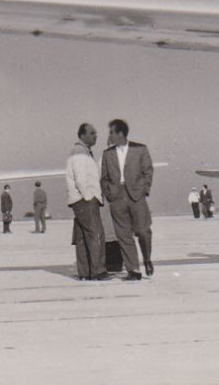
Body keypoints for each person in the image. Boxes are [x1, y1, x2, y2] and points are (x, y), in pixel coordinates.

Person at [100, 118, 154, 279]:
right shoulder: (107, 154)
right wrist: (109, 193)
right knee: (123, 234)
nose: (109, 135)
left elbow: (148, 171)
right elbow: (103, 177)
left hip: (136, 195)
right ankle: (134, 270)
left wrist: (144, 190)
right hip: (117, 197)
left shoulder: (140, 149)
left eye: (112, 132)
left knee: (143, 231)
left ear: (121, 133)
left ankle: (147, 259)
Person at [63, 123, 109, 281]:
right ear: (82, 135)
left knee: (82, 237)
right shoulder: (80, 154)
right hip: (85, 200)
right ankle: (98, 271)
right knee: (96, 234)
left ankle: (85, 272)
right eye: (91, 133)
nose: (95, 136)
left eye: (95, 133)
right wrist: (90, 197)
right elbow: (81, 179)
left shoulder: (82, 153)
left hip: (79, 200)